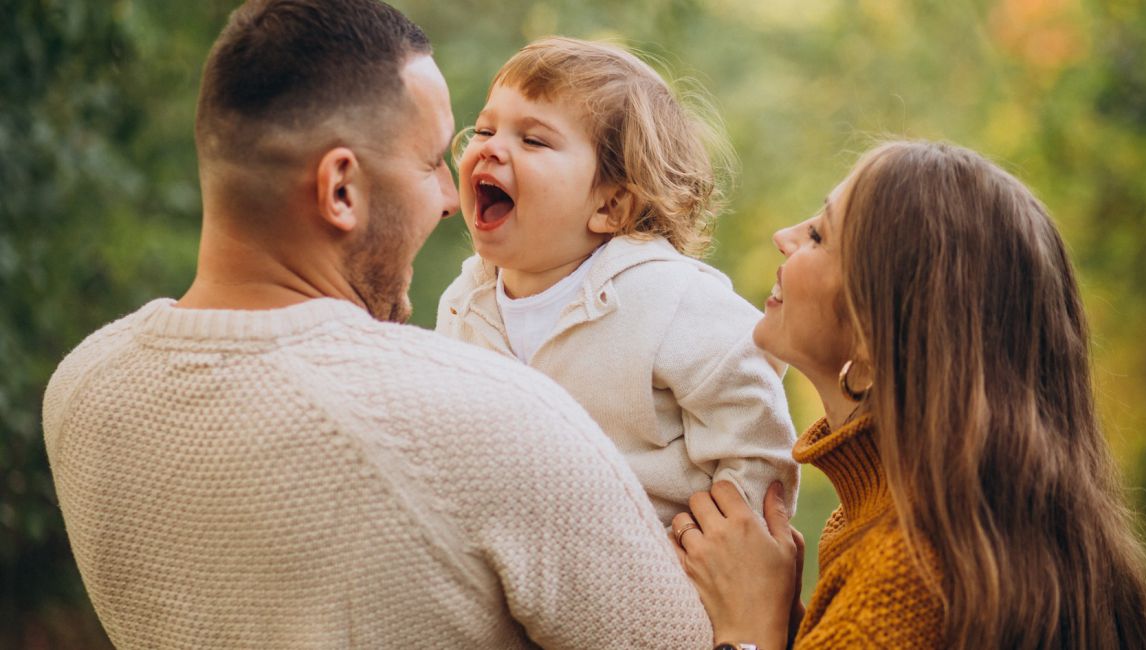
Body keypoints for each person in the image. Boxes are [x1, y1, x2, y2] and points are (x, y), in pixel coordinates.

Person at [41, 2, 711, 647]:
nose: (452, 197)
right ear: (340, 190)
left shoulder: (81, 389)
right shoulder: (496, 424)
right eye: (430, 165)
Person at [670, 141, 1146, 649]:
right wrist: (789, 623)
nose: (784, 237)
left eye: (817, 236)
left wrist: (747, 634)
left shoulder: (903, 575)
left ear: (871, 335)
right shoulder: (953, 526)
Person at [436, 37, 798, 524]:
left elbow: (753, 421)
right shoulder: (465, 303)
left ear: (610, 206)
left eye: (533, 139)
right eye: (483, 129)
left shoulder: (667, 297)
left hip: (651, 573)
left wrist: (724, 547)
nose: (490, 149)